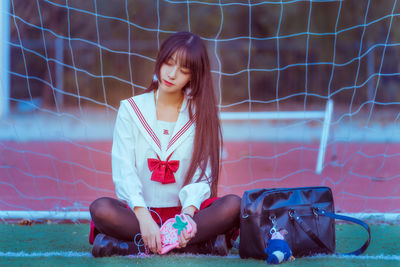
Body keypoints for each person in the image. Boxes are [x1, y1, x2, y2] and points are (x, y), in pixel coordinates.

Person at [89, 32, 241, 257]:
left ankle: (127, 246)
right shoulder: (131, 109)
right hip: (140, 214)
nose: (172, 74)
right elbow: (124, 170)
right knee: (100, 209)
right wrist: (143, 217)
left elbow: (203, 174)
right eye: (169, 63)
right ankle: (200, 246)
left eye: (183, 70)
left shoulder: (201, 114)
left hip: (183, 215)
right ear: (160, 61)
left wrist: (187, 219)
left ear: (193, 76)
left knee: (233, 205)